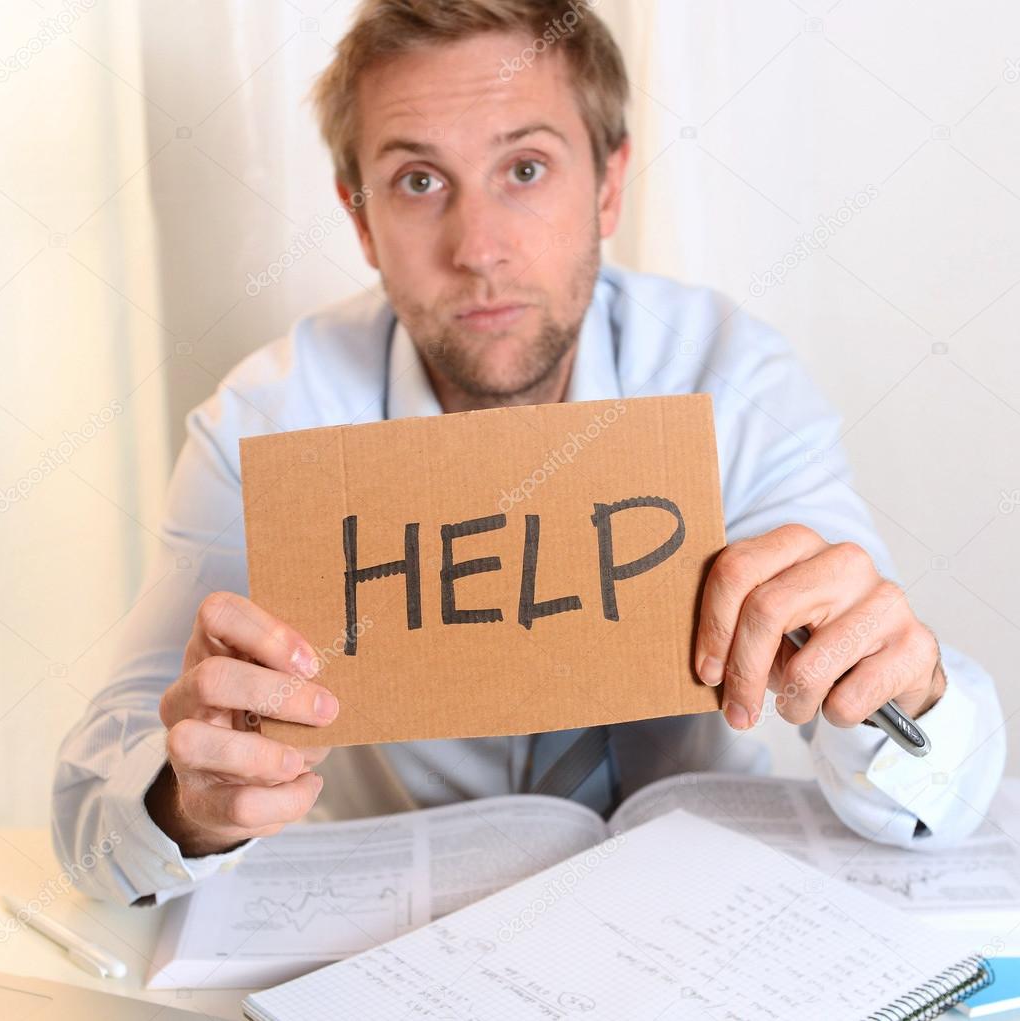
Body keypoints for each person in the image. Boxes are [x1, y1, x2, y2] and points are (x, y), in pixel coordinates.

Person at [54, 0, 1005, 906]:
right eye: (418, 181)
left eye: (525, 169)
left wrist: (896, 684)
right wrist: (187, 801)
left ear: (609, 186)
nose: (479, 247)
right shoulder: (265, 426)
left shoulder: (731, 383)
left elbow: (938, 807)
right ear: (359, 222)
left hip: (701, 926)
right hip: (396, 944)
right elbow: (93, 816)